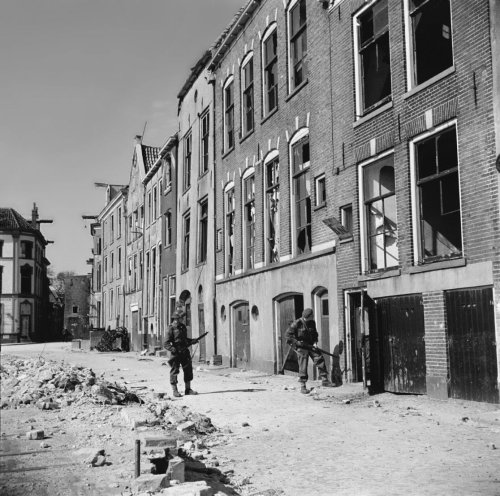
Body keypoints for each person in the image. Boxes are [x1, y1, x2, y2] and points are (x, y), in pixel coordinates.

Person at [286, 308, 332, 394]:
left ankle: (325, 380)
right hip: (301, 347)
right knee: (303, 364)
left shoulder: (312, 323)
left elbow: (314, 334)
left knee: (319, 358)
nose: (311, 317)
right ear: (306, 316)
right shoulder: (296, 323)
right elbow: (288, 335)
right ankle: (303, 386)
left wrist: (315, 343)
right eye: (310, 316)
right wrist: (297, 342)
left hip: (310, 345)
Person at [164, 311, 198, 397]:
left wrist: (192, 341)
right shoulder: (170, 328)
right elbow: (166, 343)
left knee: (188, 370)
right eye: (178, 318)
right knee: (174, 371)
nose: (180, 319)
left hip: (184, 351)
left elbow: (185, 340)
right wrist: (173, 349)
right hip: (176, 353)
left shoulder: (183, 327)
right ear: (175, 319)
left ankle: (188, 389)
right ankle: (175, 391)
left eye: (180, 318)